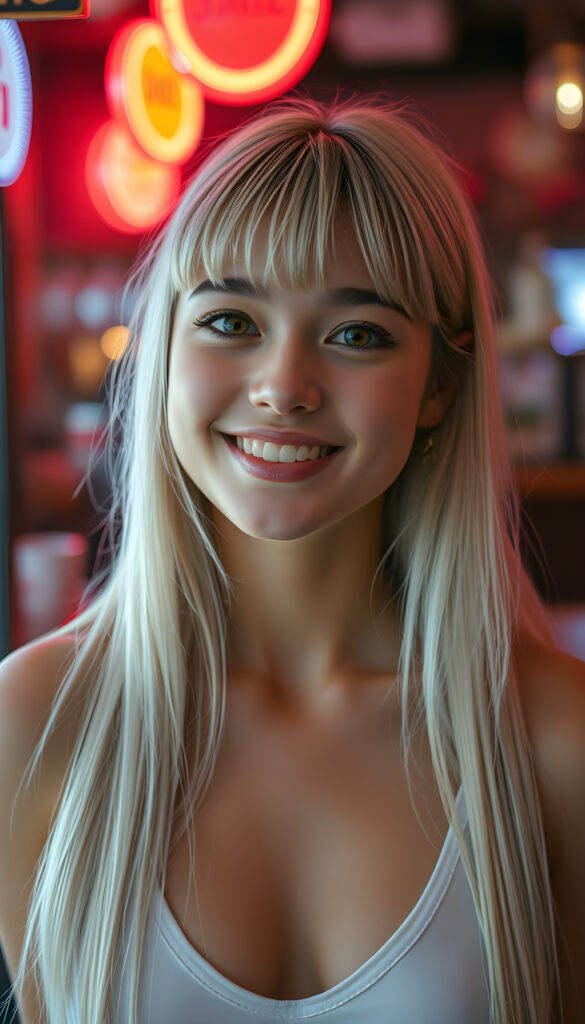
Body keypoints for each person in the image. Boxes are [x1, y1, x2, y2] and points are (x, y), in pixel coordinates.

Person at [0, 96, 584, 1024]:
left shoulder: (552, 737)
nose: (282, 387)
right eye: (231, 321)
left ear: (437, 386)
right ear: (162, 351)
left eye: (356, 334)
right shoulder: (32, 724)